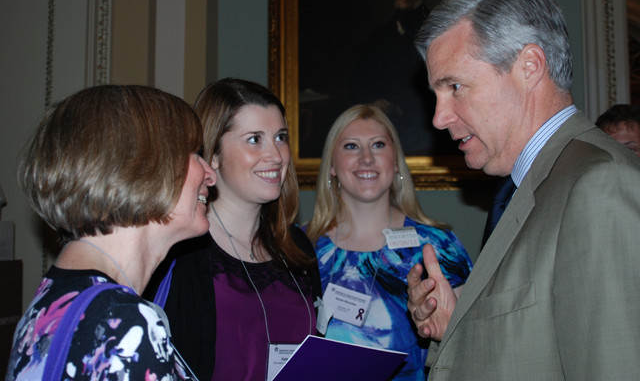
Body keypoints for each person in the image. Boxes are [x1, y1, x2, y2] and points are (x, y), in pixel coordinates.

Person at [406, 0, 640, 379]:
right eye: (436, 94)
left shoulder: (598, 186)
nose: (439, 117)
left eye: (455, 87)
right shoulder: (531, 184)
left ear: (529, 66)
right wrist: (457, 325)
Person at [6, 85, 216, 380]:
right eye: (194, 153)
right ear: (143, 167)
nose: (211, 173)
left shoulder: (53, 303)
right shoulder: (123, 326)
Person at [145, 78, 322, 381]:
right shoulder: (178, 251)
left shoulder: (297, 245)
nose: (277, 156)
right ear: (212, 154)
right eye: (255, 139)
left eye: (280, 137)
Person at [305, 104, 472, 380]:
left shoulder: (440, 248)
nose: (367, 158)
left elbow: (476, 341)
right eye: (351, 146)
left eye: (378, 145)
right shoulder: (299, 248)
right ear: (332, 165)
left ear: (395, 162)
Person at [349, 0, 456, 156]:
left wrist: (400, 108)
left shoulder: (438, 35)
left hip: (422, 126)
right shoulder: (379, 36)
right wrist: (373, 103)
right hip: (382, 122)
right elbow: (360, 81)